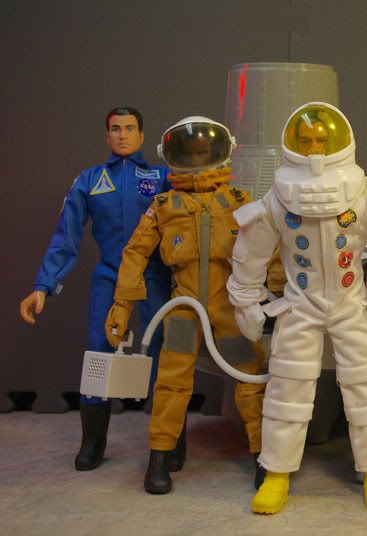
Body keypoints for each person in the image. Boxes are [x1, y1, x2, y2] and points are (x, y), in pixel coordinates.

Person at [226, 102, 367, 514]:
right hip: (300, 304)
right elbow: (251, 250)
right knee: (287, 390)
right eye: (306, 141)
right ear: (294, 145)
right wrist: (245, 296)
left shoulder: (363, 194)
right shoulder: (279, 198)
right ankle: (276, 473)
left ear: (338, 144)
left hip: (350, 304)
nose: (314, 150)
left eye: (321, 141)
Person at [105, 116, 266, 494]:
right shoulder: (164, 206)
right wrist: (123, 303)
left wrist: (273, 296)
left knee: (250, 380)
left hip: (229, 309)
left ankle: (265, 455)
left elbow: (266, 249)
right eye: (188, 153)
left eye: (203, 152)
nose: (197, 159)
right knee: (171, 382)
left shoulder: (239, 202)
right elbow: (135, 253)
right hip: (184, 310)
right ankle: (161, 456)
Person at [19, 107, 172, 471]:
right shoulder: (90, 179)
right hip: (110, 274)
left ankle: (169, 442)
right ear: (107, 136)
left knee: (165, 354)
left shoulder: (162, 176)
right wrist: (43, 285)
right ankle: (93, 441)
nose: (122, 134)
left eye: (130, 128)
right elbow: (66, 234)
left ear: (141, 135)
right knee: (99, 352)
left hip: (154, 275)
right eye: (116, 128)